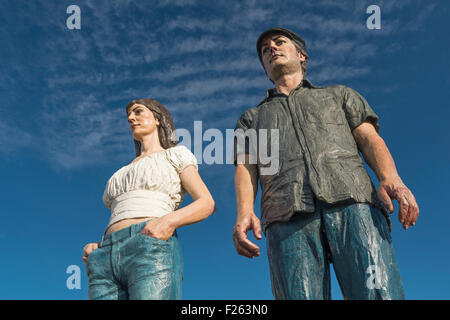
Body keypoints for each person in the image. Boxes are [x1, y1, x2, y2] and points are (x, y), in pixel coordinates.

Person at [232, 27, 419, 300]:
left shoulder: (339, 95)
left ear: (302, 55)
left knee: (378, 293)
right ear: (264, 69)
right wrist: (244, 212)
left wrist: (391, 178)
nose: (272, 48)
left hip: (354, 203)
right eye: (265, 50)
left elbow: (369, 138)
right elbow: (246, 166)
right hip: (285, 215)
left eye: (280, 42)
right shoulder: (252, 118)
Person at [82, 98, 215, 300]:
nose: (131, 118)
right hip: (105, 255)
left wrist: (168, 221)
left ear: (158, 119)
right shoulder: (121, 172)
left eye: (138, 112)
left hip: (150, 244)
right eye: (129, 116)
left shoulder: (175, 155)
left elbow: (206, 203)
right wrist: (97, 247)